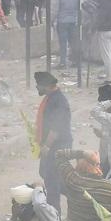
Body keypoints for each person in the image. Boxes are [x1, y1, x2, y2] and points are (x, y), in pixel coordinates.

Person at [35, 71, 73, 213]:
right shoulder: (50, 98)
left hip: (58, 146)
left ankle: (54, 214)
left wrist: (47, 145)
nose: (37, 88)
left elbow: (56, 127)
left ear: (46, 86)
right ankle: (74, 194)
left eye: (38, 85)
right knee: (46, 173)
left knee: (51, 180)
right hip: (52, 146)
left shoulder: (59, 101)